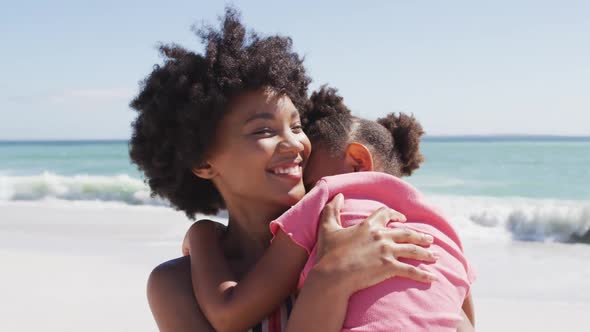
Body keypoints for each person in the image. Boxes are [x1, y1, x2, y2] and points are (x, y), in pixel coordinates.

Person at [129, 8, 440, 332]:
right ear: (204, 162)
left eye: (296, 126)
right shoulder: (179, 285)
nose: (294, 143)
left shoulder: (369, 238)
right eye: (263, 131)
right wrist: (329, 280)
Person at [186, 86, 476, 331]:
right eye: (263, 130)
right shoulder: (436, 224)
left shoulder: (327, 202)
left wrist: (201, 234)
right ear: (204, 162)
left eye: (309, 182)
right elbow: (465, 319)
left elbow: (228, 313)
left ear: (359, 162)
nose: (306, 193)